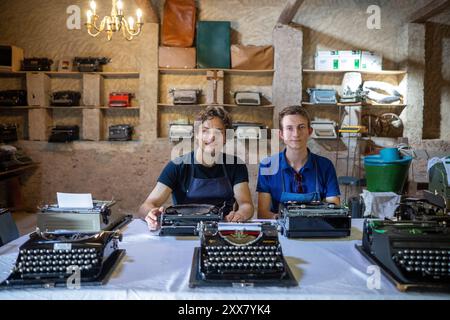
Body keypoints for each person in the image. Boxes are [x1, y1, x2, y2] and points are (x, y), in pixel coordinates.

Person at [138, 106, 254, 230]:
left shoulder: (236, 165)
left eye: (218, 132)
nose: (211, 137)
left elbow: (246, 204)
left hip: (222, 229)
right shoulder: (177, 166)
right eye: (205, 131)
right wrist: (150, 213)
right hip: (184, 230)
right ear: (197, 134)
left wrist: (240, 214)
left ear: (226, 138)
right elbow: (146, 206)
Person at [257, 105, 341, 219]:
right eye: (289, 128)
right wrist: (286, 221)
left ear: (309, 131)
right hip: (280, 230)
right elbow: (263, 213)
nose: (296, 134)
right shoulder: (267, 166)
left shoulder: (325, 166)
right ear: (281, 134)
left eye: (301, 127)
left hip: (317, 229)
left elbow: (334, 206)